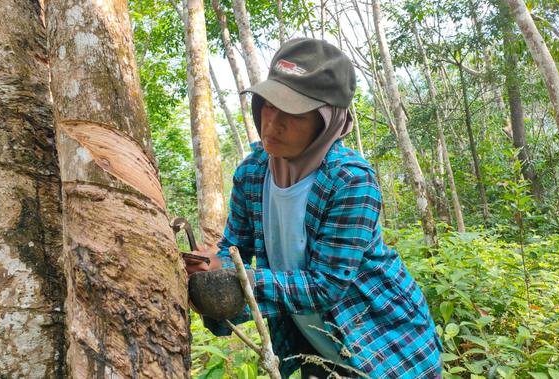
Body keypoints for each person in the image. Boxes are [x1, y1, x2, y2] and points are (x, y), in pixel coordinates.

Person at [185, 38, 442, 378]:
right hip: (314, 348)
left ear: (327, 120)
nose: (271, 123)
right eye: (268, 105)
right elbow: (235, 247)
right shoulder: (252, 173)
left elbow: (326, 286)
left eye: (292, 113)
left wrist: (240, 278)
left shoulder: (349, 180)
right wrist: (212, 263)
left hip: (386, 348)